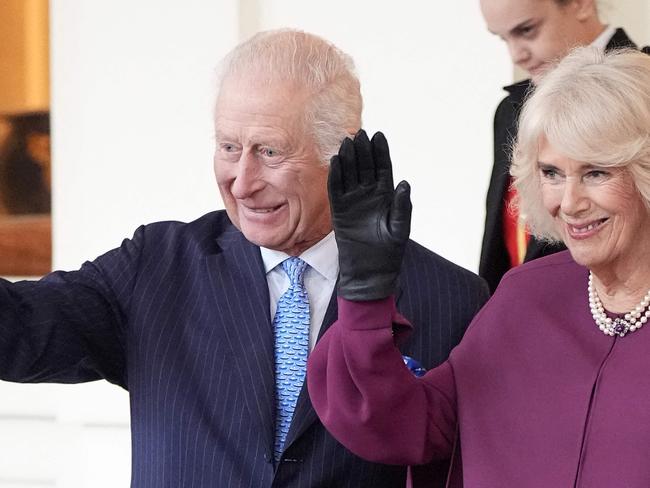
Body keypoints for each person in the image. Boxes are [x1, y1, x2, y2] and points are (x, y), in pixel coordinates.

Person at [0, 30, 489, 487]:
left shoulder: (452, 299)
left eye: (270, 152)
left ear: (340, 152)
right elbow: (20, 332)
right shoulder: (157, 265)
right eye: (229, 148)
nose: (241, 181)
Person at [308, 47, 650, 486]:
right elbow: (408, 425)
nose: (569, 202)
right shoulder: (525, 298)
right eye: (551, 173)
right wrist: (365, 294)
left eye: (597, 173)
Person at [478, 0, 650, 293]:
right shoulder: (511, 109)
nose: (516, 54)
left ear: (581, 4)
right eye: (503, 38)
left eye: (527, 30)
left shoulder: (641, 93)